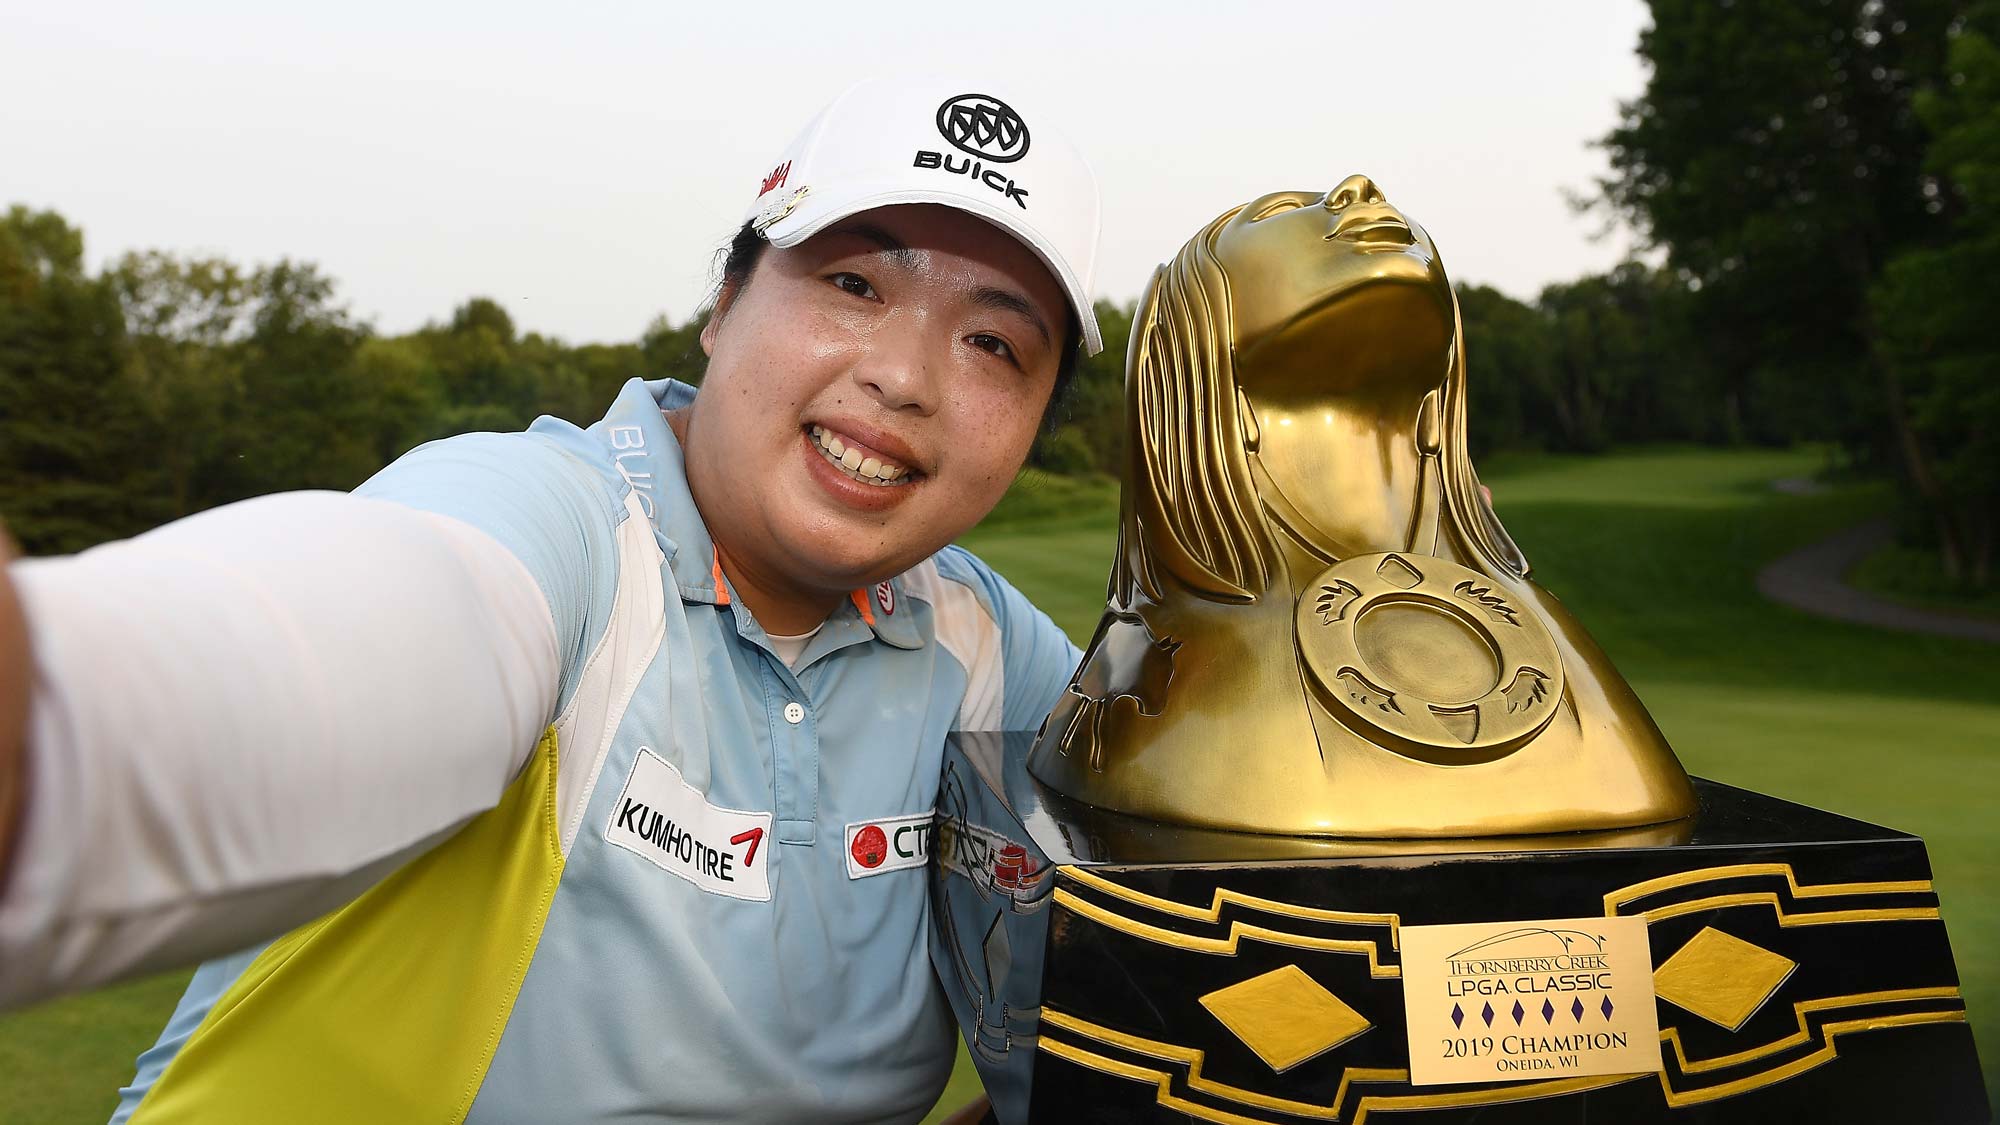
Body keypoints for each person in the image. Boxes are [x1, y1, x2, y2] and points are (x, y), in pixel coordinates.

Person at [0, 76, 1102, 1123]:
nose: (905, 376)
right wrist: (60, 715)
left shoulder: (990, 647)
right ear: (723, 306)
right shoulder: (555, 526)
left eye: (992, 343)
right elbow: (356, 638)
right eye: (855, 284)